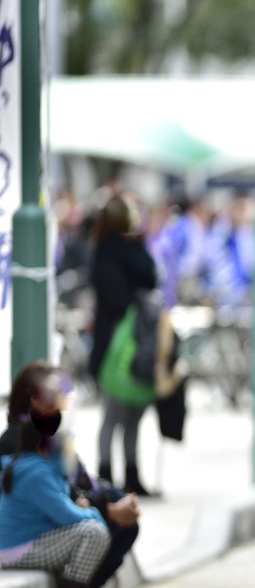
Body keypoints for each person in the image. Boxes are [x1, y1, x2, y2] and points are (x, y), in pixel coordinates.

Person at [0, 362, 141, 588]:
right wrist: (103, 510)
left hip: (50, 518)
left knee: (115, 509)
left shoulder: (49, 445)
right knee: (95, 530)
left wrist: (103, 501)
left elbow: (80, 481)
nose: (62, 402)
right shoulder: (21, 447)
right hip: (31, 532)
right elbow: (61, 503)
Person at [88, 193, 159, 496]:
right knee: (121, 415)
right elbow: (144, 281)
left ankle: (119, 476)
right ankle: (112, 477)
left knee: (121, 415)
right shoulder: (115, 253)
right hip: (120, 345)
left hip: (116, 342)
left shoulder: (106, 251)